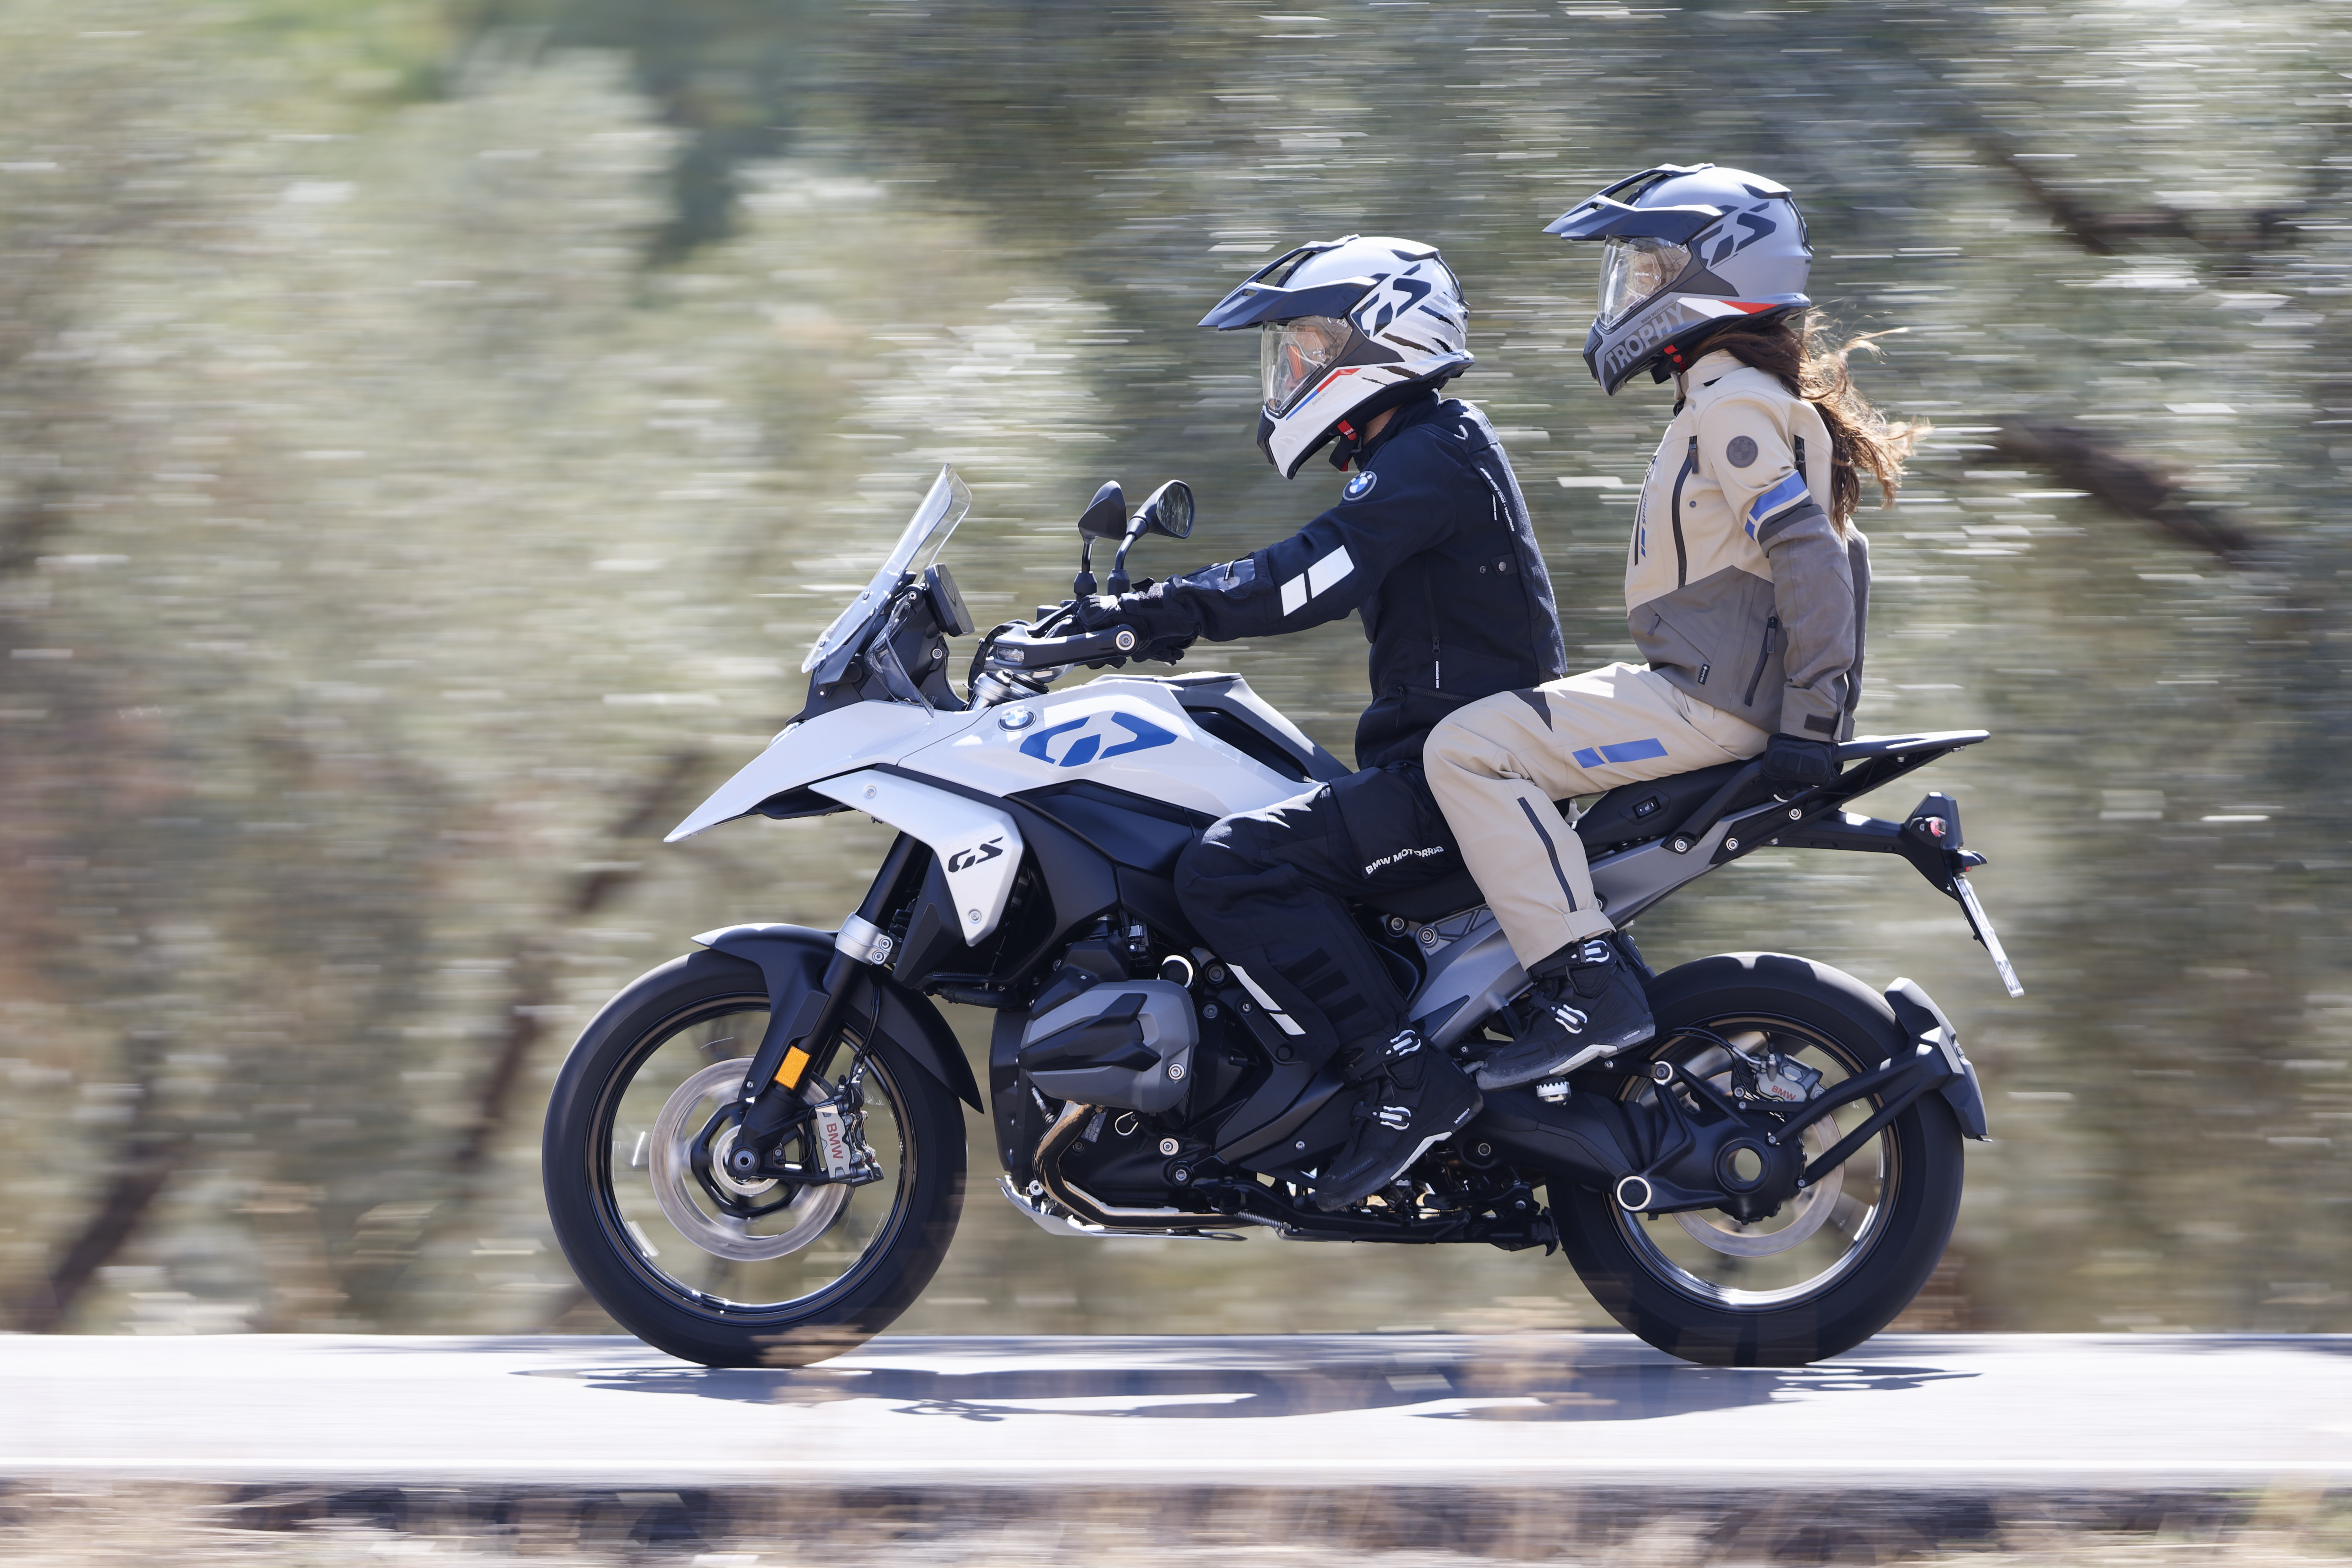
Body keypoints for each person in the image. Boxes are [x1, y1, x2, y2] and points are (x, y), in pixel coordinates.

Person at [1422, 164, 1920, 1091]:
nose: (1630, 291)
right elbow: (1844, 554)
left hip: (1707, 705)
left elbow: (1812, 556)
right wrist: (1817, 705)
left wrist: (1813, 719)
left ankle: (1583, 985)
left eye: (1649, 269)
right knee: (1502, 739)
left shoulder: (1733, 406)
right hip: (1704, 688)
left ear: (1719, 275)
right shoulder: (1737, 396)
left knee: (1465, 749)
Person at [1104, 234, 1568, 1210]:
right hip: (1448, 769)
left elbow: (1307, 576)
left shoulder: (1431, 453)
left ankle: (1402, 1075)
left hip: (1453, 784)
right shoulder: (1426, 450)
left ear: (1385, 338)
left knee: (1230, 865)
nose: (1293, 365)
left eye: (1311, 342)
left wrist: (1153, 612)